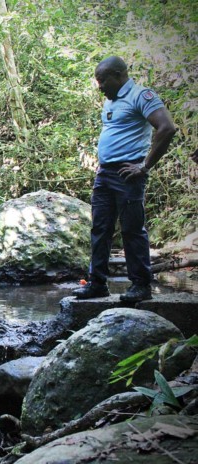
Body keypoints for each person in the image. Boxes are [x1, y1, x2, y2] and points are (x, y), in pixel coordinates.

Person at [74, 56, 177, 302]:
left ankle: (141, 286)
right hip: (105, 174)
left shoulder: (141, 96)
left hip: (128, 173)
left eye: (102, 80)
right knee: (100, 228)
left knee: (132, 230)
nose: (99, 86)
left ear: (119, 75)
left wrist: (144, 166)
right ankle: (97, 283)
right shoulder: (110, 101)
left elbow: (167, 128)